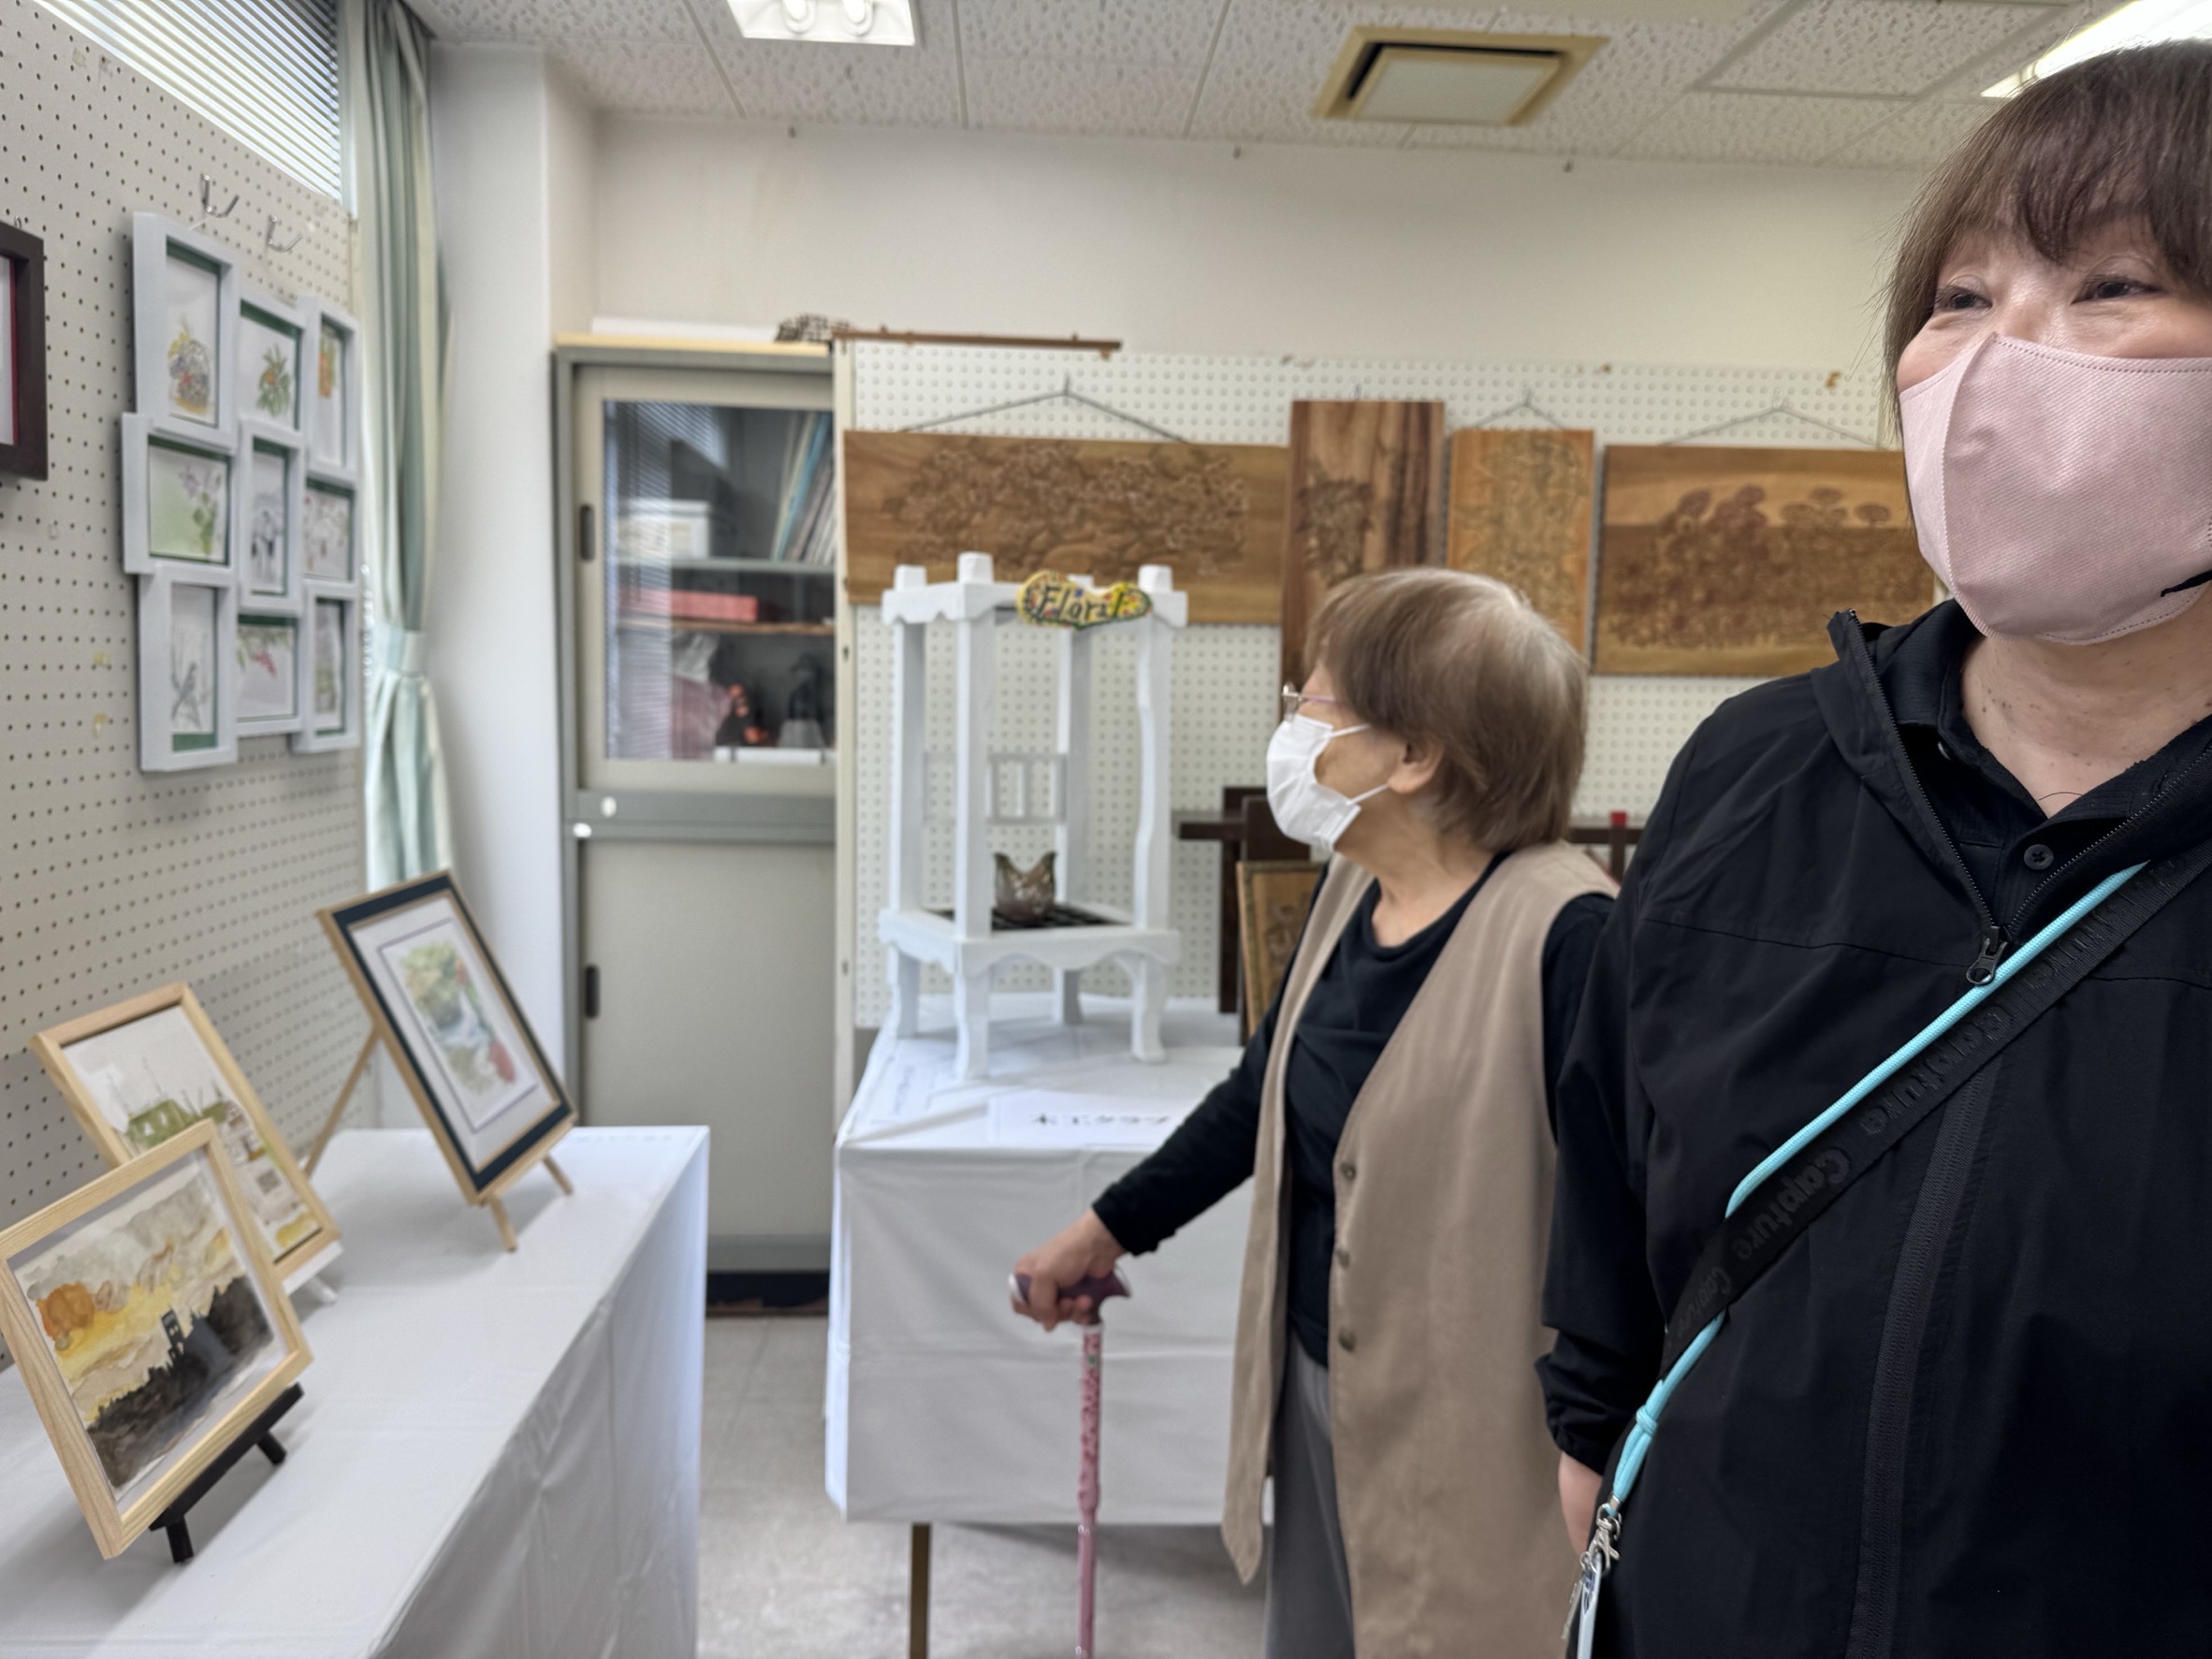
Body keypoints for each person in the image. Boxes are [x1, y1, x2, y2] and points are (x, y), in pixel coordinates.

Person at [1539, 42, 2212, 1658]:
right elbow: (1616, 1183)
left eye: (2110, 285)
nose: (1998, 355)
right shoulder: (1754, 770)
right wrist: (1592, 1450)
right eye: (1959, 297)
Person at [1012, 569, 1615, 1657]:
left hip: (1481, 1437)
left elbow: (1625, 1230)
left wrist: (1593, 1442)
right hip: (1318, 1386)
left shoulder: (1572, 937)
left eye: (1315, 701)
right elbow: (1264, 1092)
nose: (1292, 723)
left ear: (1414, 754)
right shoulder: (1352, 887)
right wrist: (1105, 1229)